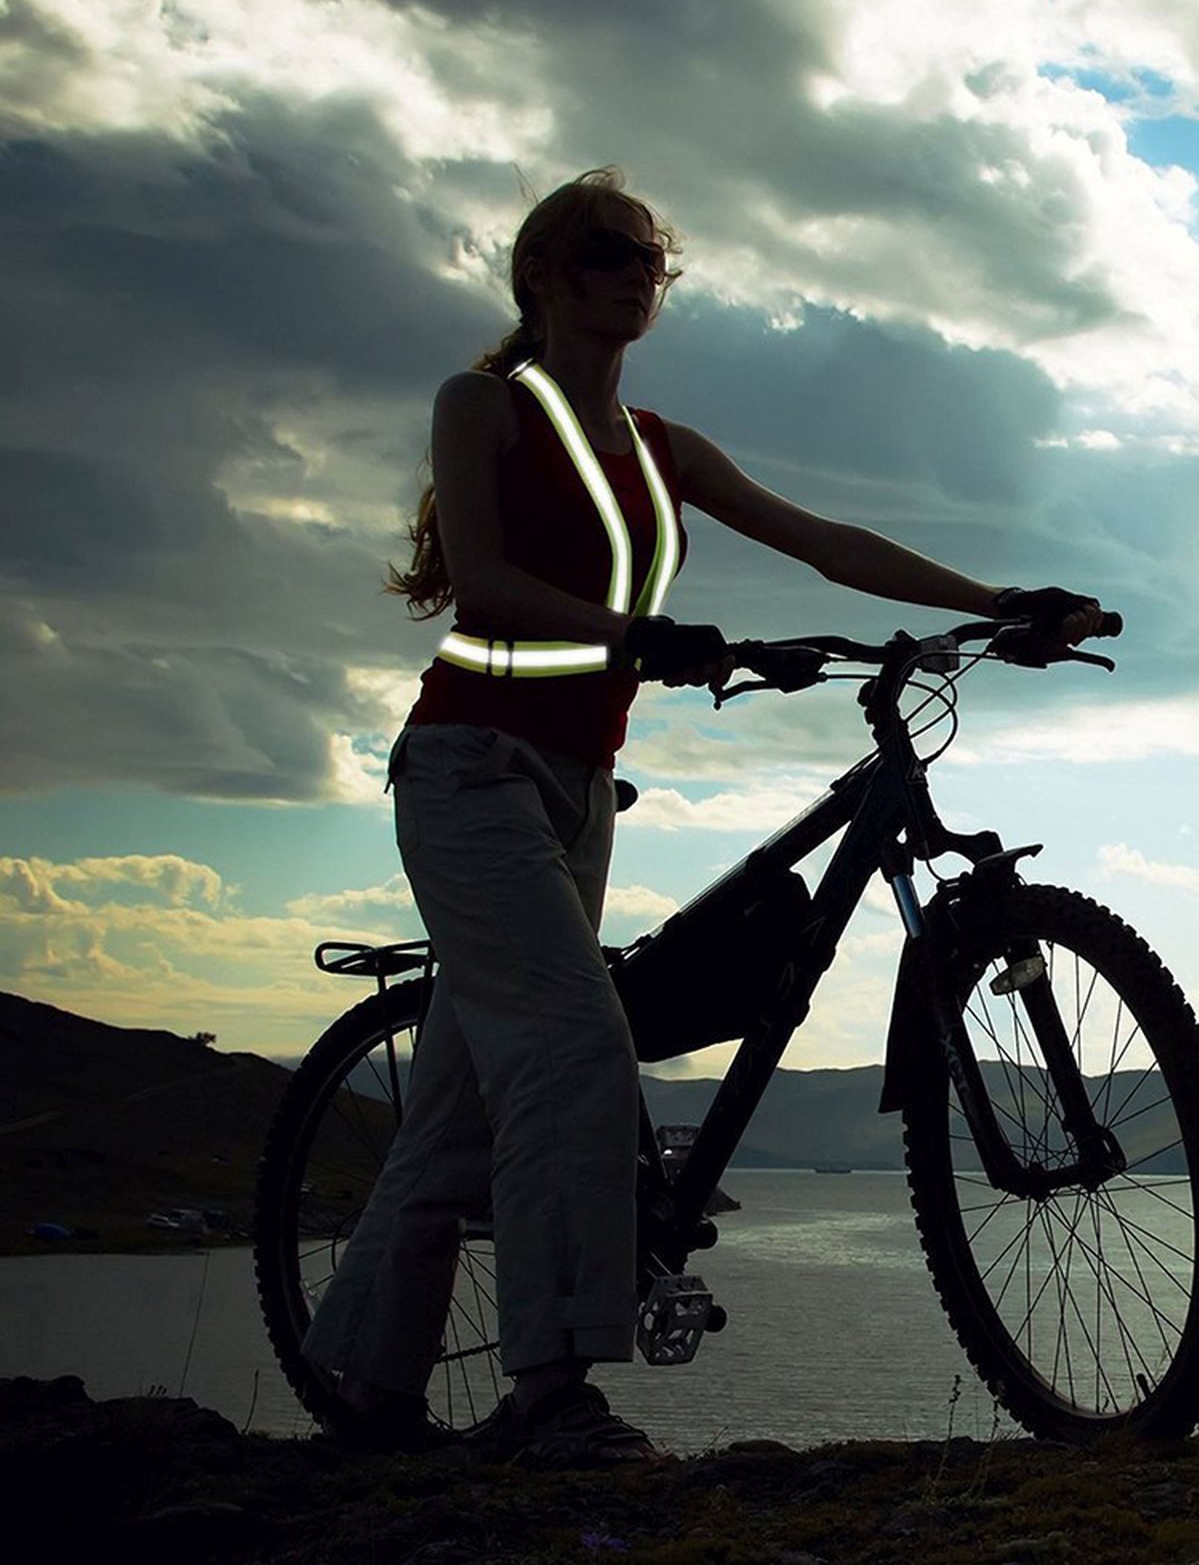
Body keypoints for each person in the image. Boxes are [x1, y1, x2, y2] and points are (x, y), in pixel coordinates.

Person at [299, 166, 1103, 1469]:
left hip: (578, 791)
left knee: (455, 1118)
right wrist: (644, 637)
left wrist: (1003, 602)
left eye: (650, 260)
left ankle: (367, 1396)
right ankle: (550, 1394)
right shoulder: (484, 406)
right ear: (542, 273)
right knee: (577, 1049)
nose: (635, 275)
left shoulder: (662, 446)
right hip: (469, 770)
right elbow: (485, 584)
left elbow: (826, 541)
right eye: (607, 252)